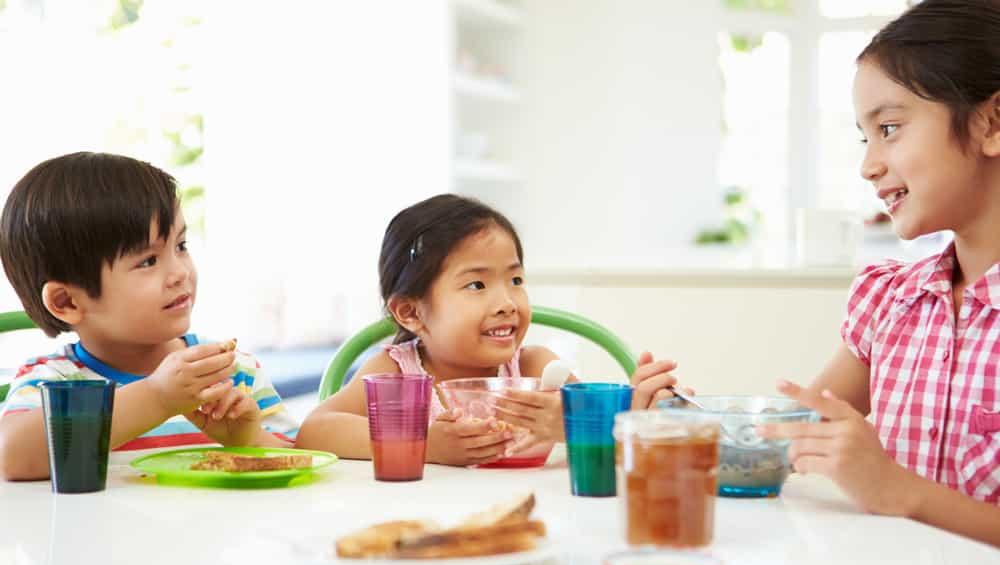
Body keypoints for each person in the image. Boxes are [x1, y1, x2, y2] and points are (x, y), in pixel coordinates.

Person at [760, 0, 1000, 546]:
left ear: (991, 123)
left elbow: (890, 489)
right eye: (865, 137)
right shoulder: (890, 301)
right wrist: (649, 420)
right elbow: (780, 439)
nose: (868, 164)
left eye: (890, 128)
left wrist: (900, 491)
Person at [297, 194, 679, 466]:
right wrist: (424, 444)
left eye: (515, 279)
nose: (507, 302)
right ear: (411, 312)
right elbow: (313, 432)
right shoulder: (396, 375)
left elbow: (616, 450)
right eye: (477, 285)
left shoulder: (536, 370)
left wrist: (580, 425)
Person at [0, 152, 297, 481]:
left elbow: (301, 465)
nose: (180, 273)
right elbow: (12, 458)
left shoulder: (231, 373)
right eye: (147, 261)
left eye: (181, 246)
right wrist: (157, 396)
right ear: (67, 301)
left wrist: (249, 440)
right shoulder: (55, 383)